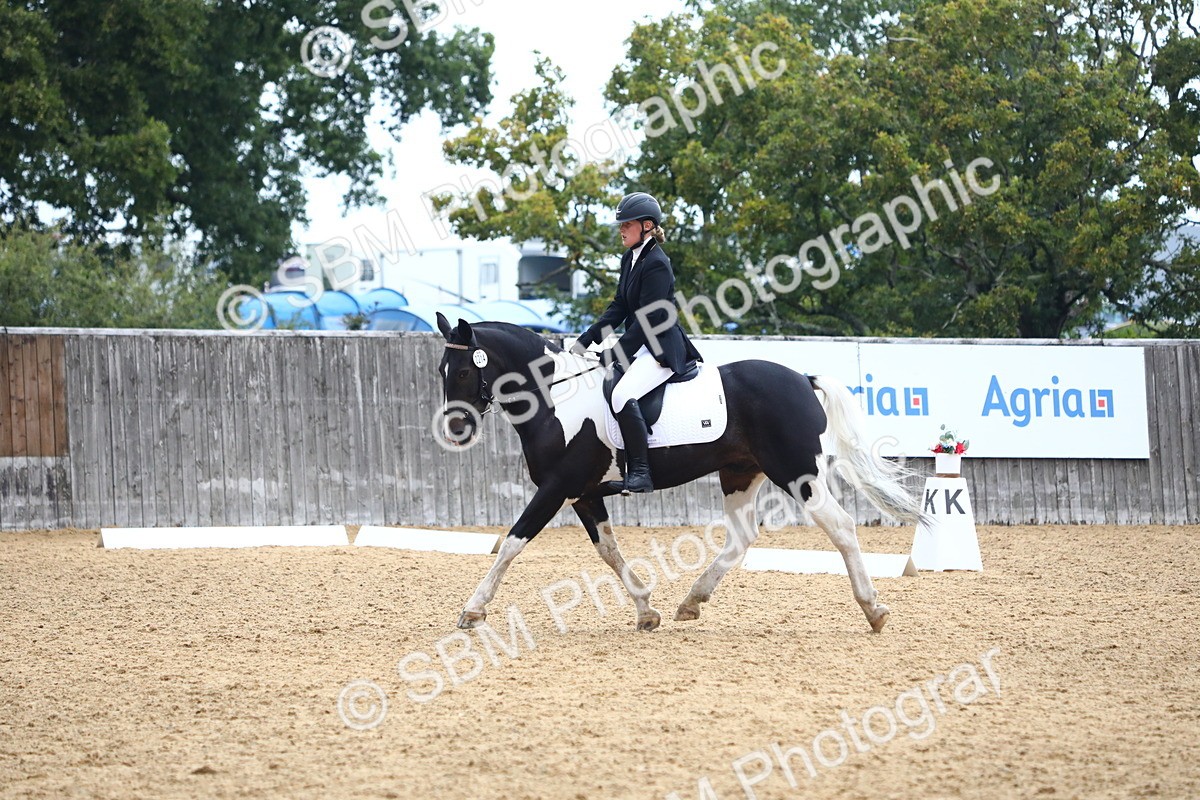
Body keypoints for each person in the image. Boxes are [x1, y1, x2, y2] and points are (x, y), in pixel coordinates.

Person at [570, 192, 703, 493]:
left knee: (621, 395)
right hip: (641, 346)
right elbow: (619, 306)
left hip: (660, 350)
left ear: (646, 226)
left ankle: (641, 472)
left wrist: (616, 354)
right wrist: (586, 339)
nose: (621, 230)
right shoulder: (630, 258)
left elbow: (648, 320)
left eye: (626, 224)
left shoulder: (657, 263)